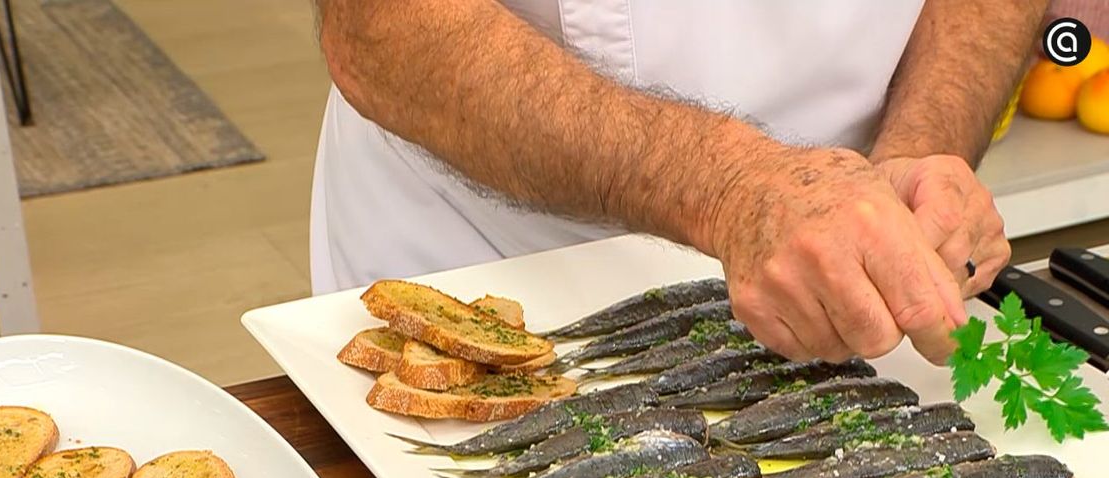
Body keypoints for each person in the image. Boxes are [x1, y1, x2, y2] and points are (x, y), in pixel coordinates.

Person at [310, 1, 1044, 364]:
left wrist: (916, 156)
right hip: (492, 260)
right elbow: (383, 27)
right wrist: (732, 189)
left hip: (846, 293)